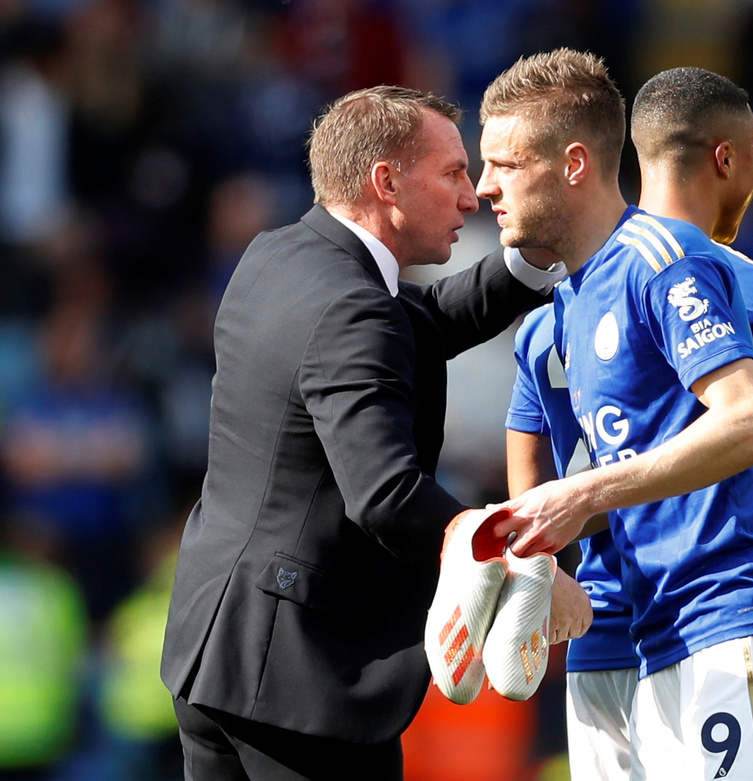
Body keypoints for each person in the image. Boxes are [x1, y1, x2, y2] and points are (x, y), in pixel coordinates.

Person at [160, 85, 574, 780]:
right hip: (298, 683)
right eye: (452, 172)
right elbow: (385, 493)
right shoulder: (354, 307)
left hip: (218, 650)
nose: (472, 196)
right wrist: (520, 562)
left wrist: (534, 256)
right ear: (386, 183)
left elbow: (418, 321)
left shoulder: (279, 255)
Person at [478, 49, 753, 781]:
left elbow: (750, 424)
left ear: (574, 163)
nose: (486, 185)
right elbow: (553, 492)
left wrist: (577, 497)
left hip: (736, 613)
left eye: (505, 164)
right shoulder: (561, 310)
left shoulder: (665, 258)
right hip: (655, 632)